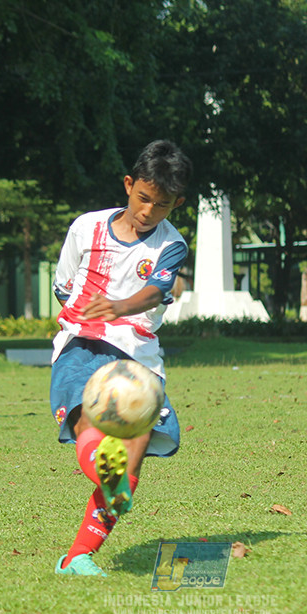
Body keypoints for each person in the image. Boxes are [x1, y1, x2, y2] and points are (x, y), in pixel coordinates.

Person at [49, 139, 192, 576]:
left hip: (138, 356)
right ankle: (108, 480)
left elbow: (155, 292)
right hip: (81, 345)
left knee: (135, 451)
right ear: (128, 185)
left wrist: (120, 305)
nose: (149, 211)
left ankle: (77, 557)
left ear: (176, 204)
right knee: (90, 420)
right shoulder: (85, 228)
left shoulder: (172, 245)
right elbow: (63, 284)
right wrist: (87, 313)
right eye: (143, 198)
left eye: (162, 205)